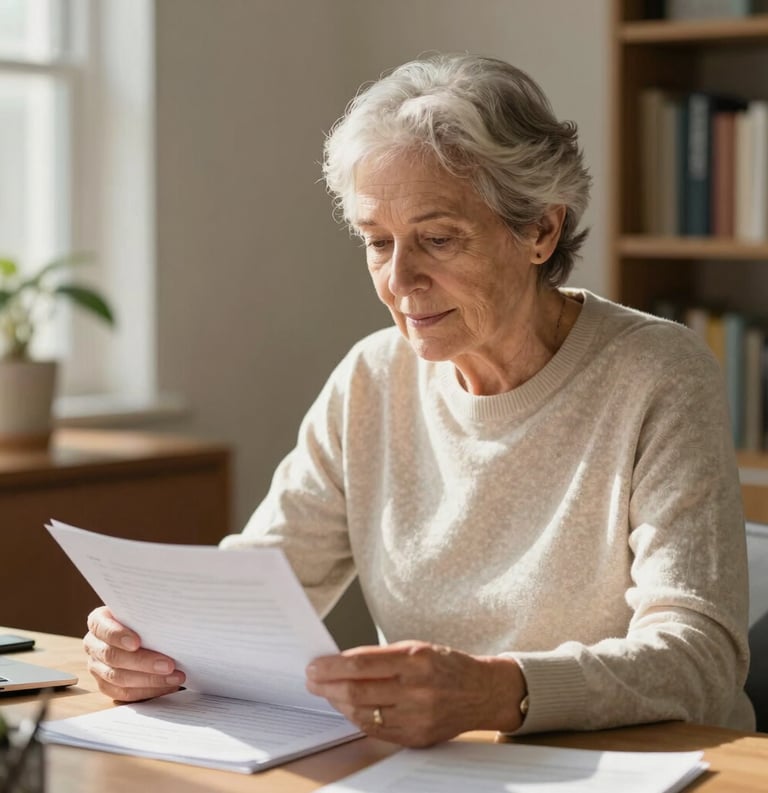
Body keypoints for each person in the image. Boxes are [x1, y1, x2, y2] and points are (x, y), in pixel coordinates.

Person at [83, 53, 754, 746]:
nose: (401, 279)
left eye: (437, 239)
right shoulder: (372, 378)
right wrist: (150, 641)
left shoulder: (659, 374)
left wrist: (501, 692)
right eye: (378, 242)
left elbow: (699, 658)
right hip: (438, 770)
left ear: (540, 231)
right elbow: (253, 590)